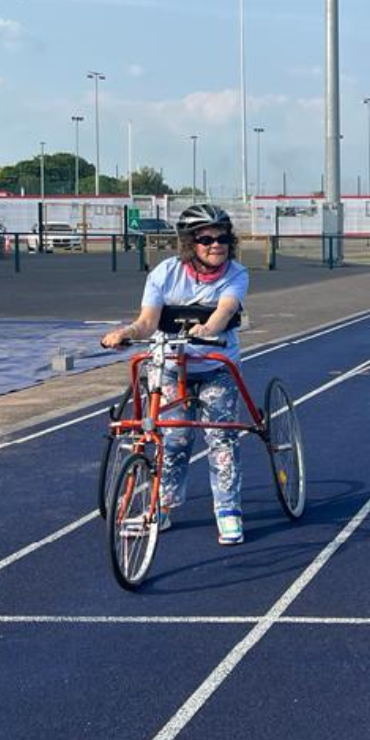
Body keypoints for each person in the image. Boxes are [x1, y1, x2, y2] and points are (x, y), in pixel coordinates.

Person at [101, 204, 250, 545]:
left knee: (221, 439)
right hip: (171, 366)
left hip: (216, 365)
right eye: (206, 239)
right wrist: (127, 333)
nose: (217, 245)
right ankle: (163, 506)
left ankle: (228, 511)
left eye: (223, 238)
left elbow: (225, 310)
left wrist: (208, 328)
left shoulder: (237, 274)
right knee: (175, 439)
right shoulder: (165, 274)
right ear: (189, 244)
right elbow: (148, 322)